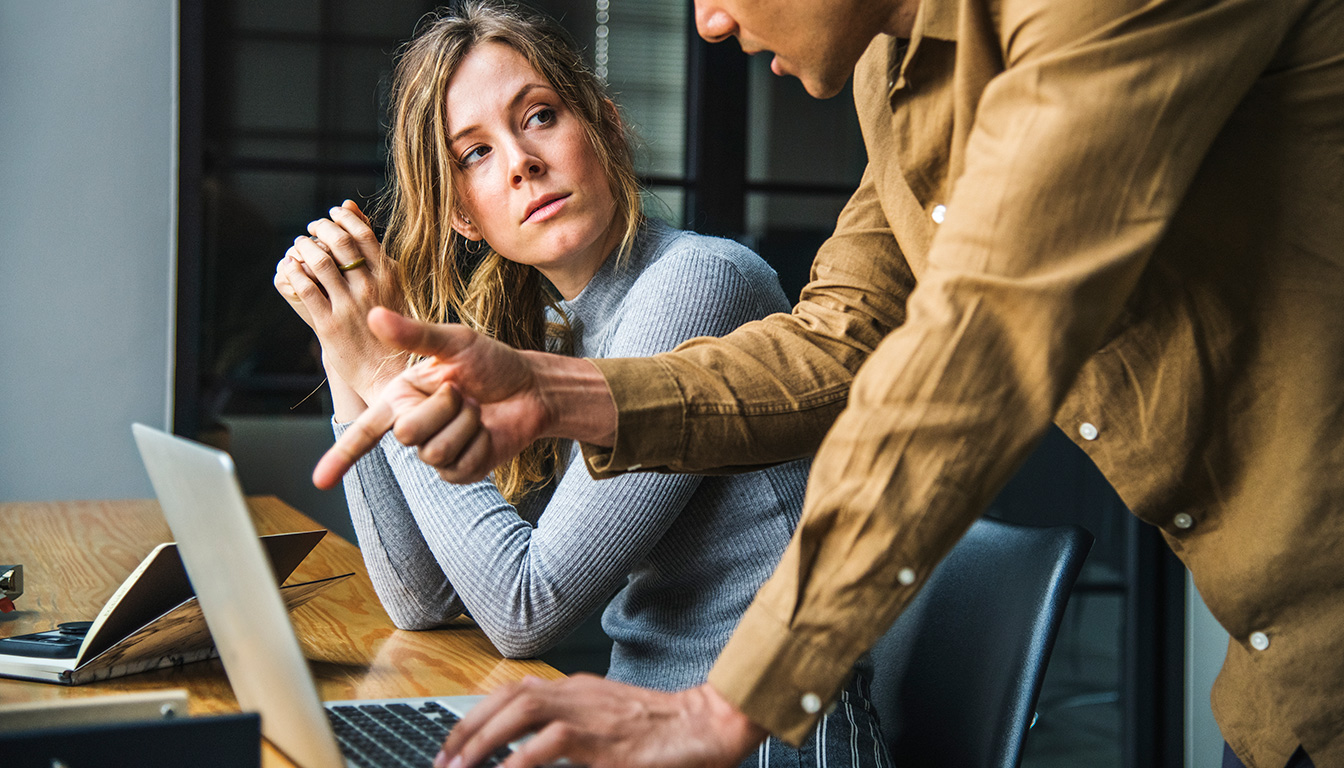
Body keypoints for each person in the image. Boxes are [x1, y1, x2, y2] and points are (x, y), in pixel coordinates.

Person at [315, 0, 1344, 765]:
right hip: (1281, 680)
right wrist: (562, 391)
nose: (710, 20)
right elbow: (837, 341)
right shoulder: (895, 80)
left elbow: (978, 339)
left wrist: (731, 705)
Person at [276, 3, 890, 766]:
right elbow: (422, 601)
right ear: (465, 217)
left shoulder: (699, 282)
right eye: (474, 154)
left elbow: (523, 608)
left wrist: (388, 376)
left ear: (605, 125)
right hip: (644, 736)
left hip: (769, 745)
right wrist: (348, 354)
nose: (519, 162)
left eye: (538, 117)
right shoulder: (555, 326)